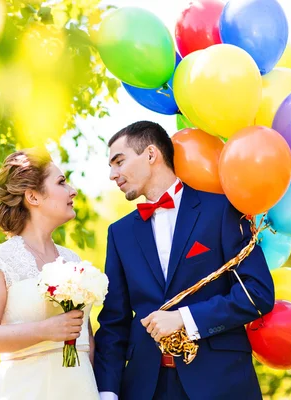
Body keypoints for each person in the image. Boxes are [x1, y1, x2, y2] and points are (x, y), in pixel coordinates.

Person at [94, 121, 275, 400]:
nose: (112, 174)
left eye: (119, 161)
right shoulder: (119, 233)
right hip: (145, 389)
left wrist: (185, 318)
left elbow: (257, 294)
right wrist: (107, 392)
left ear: (151, 155)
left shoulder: (223, 210)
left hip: (221, 384)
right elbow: (113, 322)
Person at [0, 148, 100, 400]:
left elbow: (86, 335)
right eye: (61, 182)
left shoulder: (72, 259)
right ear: (33, 196)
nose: (72, 190)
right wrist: (46, 330)